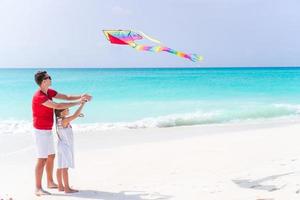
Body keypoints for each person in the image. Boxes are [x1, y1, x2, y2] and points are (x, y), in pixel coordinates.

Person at [32, 71, 92, 196]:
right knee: (42, 159)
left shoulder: (49, 92)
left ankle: (50, 182)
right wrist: (79, 103)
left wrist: (81, 96)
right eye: (49, 77)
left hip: (48, 129)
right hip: (40, 131)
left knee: (51, 156)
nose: (50, 78)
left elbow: (67, 97)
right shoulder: (39, 96)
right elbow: (57, 105)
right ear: (44, 81)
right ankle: (38, 187)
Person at [55, 101, 86, 193]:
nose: (68, 109)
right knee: (65, 167)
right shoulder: (64, 120)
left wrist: (77, 115)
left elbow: (73, 117)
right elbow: (74, 115)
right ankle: (67, 188)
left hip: (60, 144)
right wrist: (82, 104)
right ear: (61, 112)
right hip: (65, 146)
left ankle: (60, 186)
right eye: (66, 109)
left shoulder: (59, 120)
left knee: (60, 166)